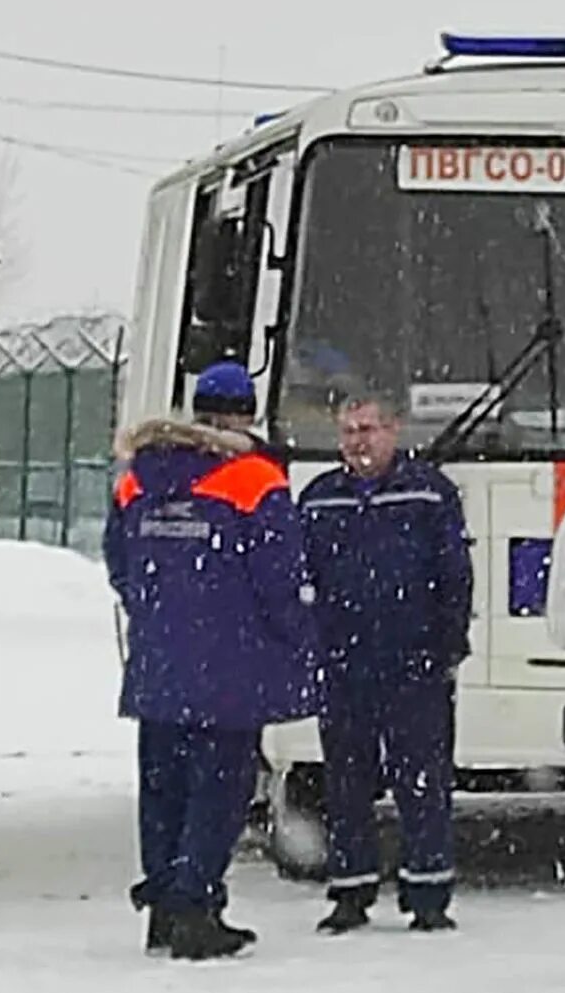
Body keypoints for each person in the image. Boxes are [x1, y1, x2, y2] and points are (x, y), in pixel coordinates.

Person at [104, 375, 321, 960]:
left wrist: (160, 615)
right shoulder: (254, 479)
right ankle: (197, 906)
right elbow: (281, 581)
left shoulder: (136, 477)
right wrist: (295, 637)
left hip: (159, 666)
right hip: (230, 669)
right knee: (217, 792)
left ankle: (163, 910)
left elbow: (119, 565)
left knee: (163, 789)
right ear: (246, 416)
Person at [299, 391, 474, 935]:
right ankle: (350, 892)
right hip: (344, 665)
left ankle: (427, 895)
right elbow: (299, 579)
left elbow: (454, 575)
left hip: (414, 663)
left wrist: (449, 644)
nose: (358, 441)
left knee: (422, 781)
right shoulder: (319, 498)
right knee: (346, 785)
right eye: (349, 430)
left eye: (368, 429)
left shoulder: (427, 492)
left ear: (394, 431)